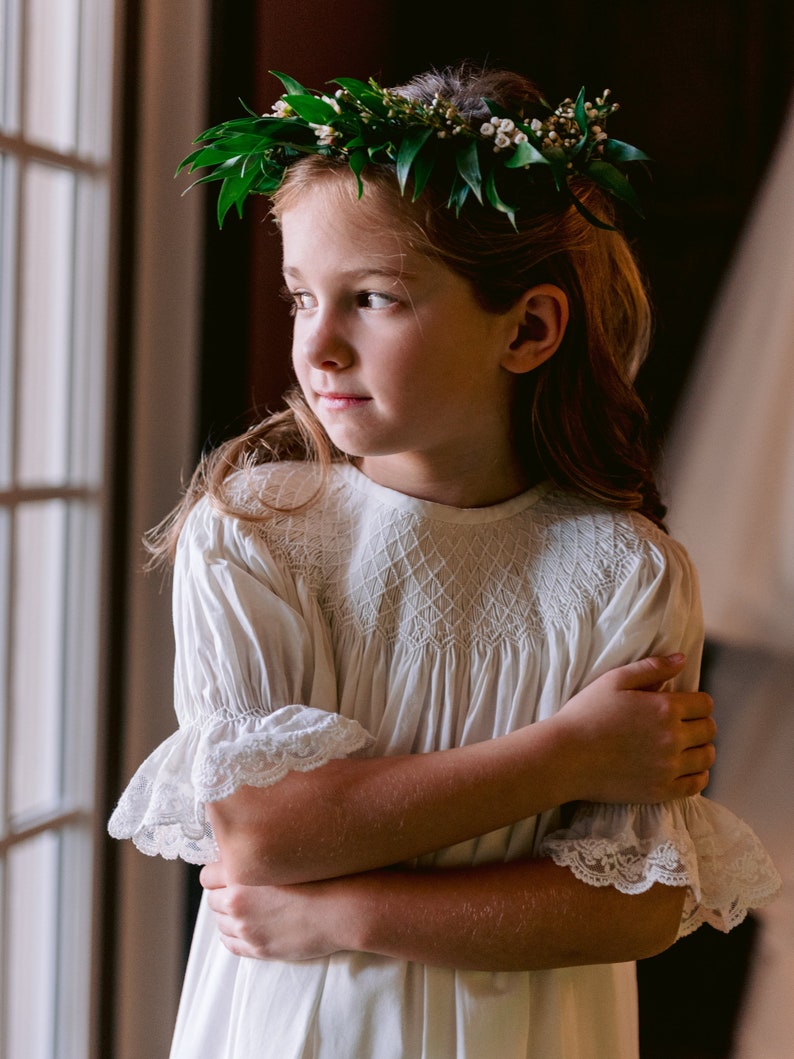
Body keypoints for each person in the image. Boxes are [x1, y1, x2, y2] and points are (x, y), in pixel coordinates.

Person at [108, 63, 780, 1058]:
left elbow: (631, 908)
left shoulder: (620, 574)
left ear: (528, 327)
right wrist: (564, 755)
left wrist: (345, 916)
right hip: (304, 1031)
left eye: (372, 298)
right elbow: (265, 833)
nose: (319, 346)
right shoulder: (254, 532)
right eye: (301, 298)